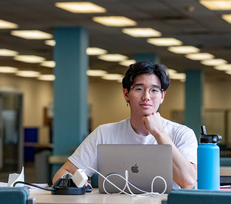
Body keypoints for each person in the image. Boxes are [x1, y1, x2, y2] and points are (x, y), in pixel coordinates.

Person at [52, 61, 198, 189]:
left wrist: (159, 133)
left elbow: (188, 182)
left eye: (154, 90)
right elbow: (62, 174)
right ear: (126, 94)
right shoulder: (104, 133)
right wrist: (77, 184)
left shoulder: (182, 134)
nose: (146, 96)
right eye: (139, 89)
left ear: (162, 96)